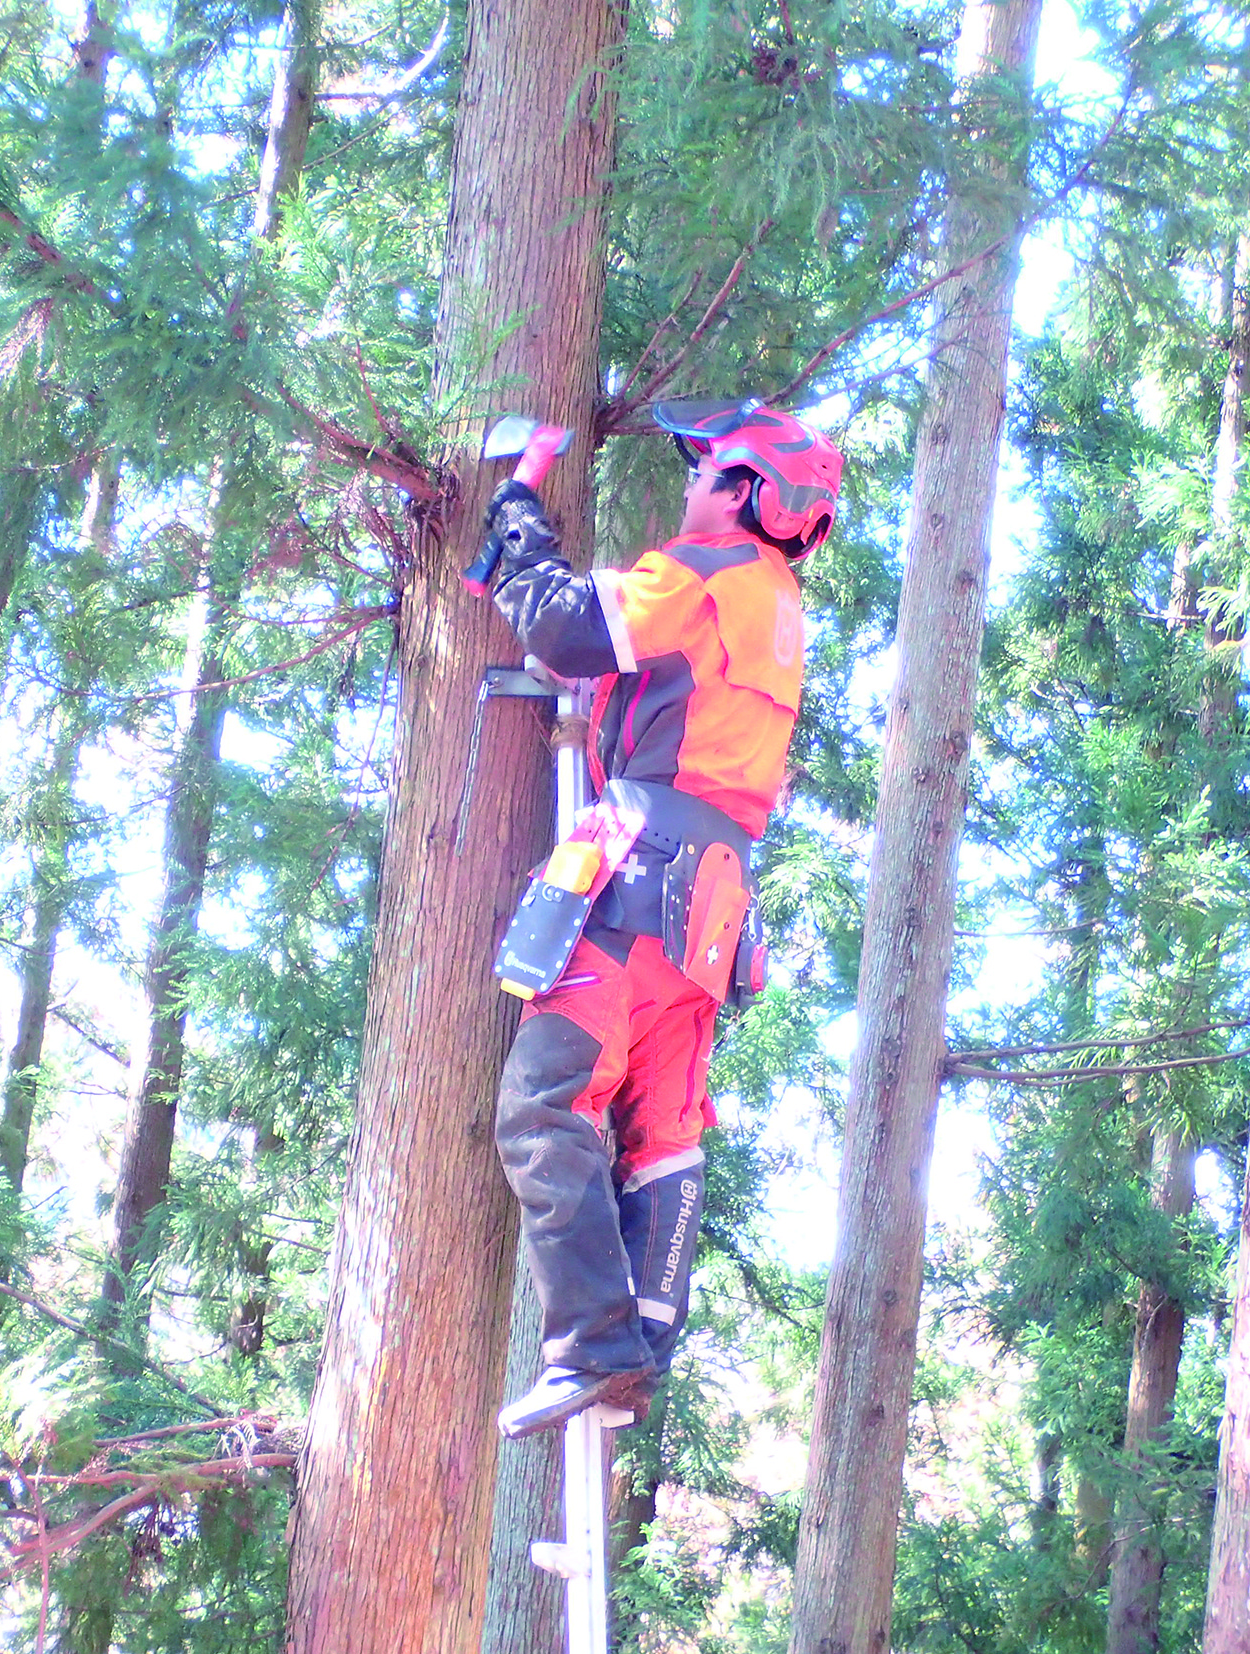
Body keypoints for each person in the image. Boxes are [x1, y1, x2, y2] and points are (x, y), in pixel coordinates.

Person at [474, 398, 842, 1438]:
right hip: (712, 902)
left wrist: (517, 512)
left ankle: (592, 1347)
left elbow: (565, 628)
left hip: (643, 878)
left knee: (546, 1099)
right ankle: (642, 1332)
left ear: (743, 492)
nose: (688, 487)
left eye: (703, 472)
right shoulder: (777, 603)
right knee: (661, 1129)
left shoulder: (707, 574)